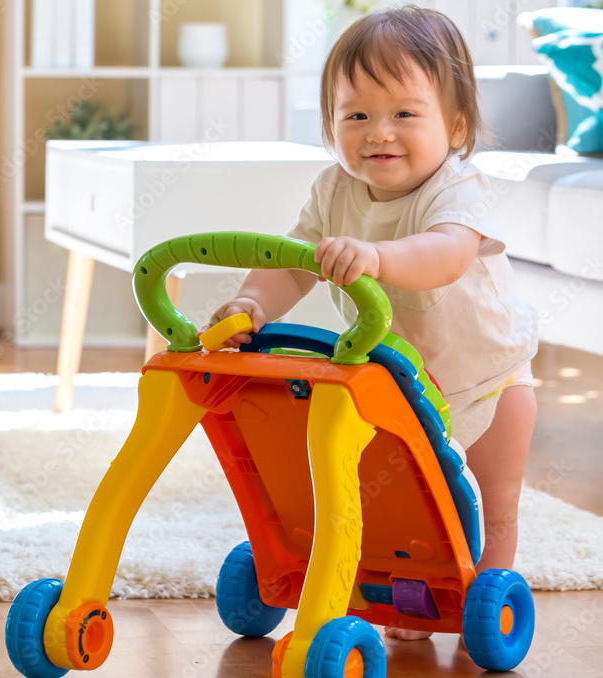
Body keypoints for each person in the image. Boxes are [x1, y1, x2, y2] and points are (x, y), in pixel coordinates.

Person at [204, 5, 538, 640]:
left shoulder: (457, 189)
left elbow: (446, 254)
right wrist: (252, 302)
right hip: (397, 390)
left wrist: (377, 257)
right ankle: (406, 598)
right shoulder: (333, 191)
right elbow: (291, 263)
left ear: (456, 122)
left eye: (404, 114)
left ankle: (485, 612)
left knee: (493, 511)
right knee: (400, 505)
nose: (378, 132)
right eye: (355, 115)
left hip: (487, 381)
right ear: (331, 124)